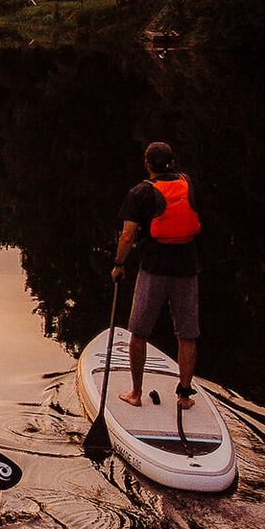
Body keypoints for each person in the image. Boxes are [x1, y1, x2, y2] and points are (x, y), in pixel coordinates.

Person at [111, 140, 200, 408]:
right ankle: (184, 396)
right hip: (187, 267)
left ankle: (136, 394)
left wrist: (119, 264)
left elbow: (127, 236)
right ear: (172, 163)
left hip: (154, 268)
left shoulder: (139, 193)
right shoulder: (187, 183)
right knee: (187, 334)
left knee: (138, 332)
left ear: (147, 164)